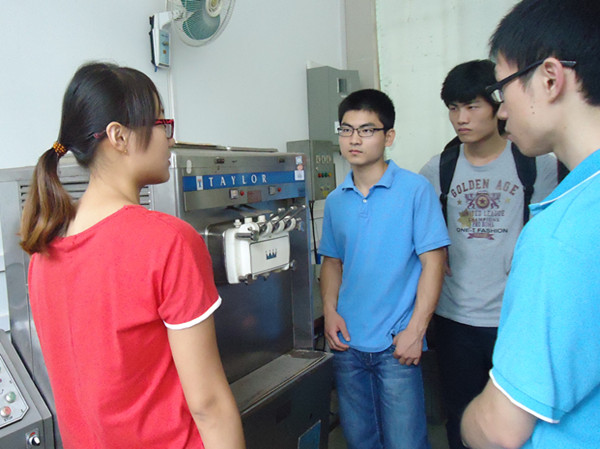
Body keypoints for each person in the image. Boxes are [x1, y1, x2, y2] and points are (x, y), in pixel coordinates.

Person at [19, 62, 245, 449]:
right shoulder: (168, 241)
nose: (170, 139)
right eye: (161, 123)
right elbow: (208, 406)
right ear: (119, 136)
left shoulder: (44, 250)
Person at [460, 1, 600, 448]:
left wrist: (469, 424)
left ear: (550, 78)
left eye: (502, 89)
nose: (501, 112)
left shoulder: (563, 232)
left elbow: (498, 430)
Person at [419, 60, 558, 449]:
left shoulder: (535, 165)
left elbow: (546, 238)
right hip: (455, 318)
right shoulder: (438, 169)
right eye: (453, 108)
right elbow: (423, 240)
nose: (460, 119)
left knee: (515, 424)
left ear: (498, 106)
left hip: (514, 318)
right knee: (460, 418)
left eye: (472, 106)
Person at [318, 88, 450, 449]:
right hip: (347, 344)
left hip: (396, 344)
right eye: (346, 130)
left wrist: (416, 331)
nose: (354, 139)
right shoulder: (335, 200)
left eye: (366, 130)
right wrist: (329, 312)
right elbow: (332, 262)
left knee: (405, 442)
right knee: (360, 440)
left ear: (388, 136)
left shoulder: (415, 190)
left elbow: (434, 262)